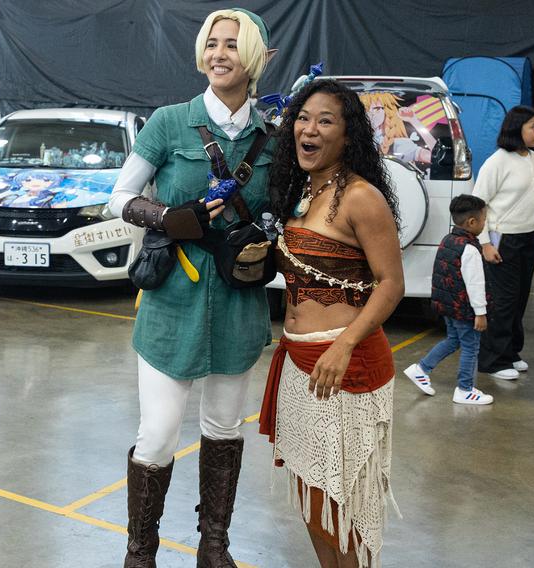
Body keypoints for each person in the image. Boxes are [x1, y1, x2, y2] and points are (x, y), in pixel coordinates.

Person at [104, 9, 275, 567]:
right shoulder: (169, 122)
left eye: (231, 45)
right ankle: (140, 550)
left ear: (253, 58)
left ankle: (214, 544)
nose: (218, 54)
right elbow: (119, 197)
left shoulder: (272, 136)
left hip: (239, 297)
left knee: (224, 428)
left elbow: (290, 211)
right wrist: (167, 217)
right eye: (211, 44)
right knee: (156, 435)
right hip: (171, 297)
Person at [259, 79, 405, 568]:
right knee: (315, 505)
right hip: (300, 366)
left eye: (325, 121)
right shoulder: (304, 189)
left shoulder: (361, 198)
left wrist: (343, 345)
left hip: (344, 369)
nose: (310, 128)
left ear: (348, 136)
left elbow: (390, 284)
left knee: (344, 511)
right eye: (303, 118)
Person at [468, 105, 534, 380]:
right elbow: (477, 205)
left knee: (520, 298)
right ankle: (493, 360)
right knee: (502, 300)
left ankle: (511, 352)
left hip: (528, 237)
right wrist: (485, 243)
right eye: (533, 127)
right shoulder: (497, 162)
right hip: (503, 239)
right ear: (517, 129)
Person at [403, 194, 494, 405]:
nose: (484, 224)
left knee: (453, 340)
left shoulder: (448, 239)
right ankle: (465, 390)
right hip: (464, 309)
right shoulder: (470, 249)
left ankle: (421, 369)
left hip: (449, 306)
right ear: (472, 222)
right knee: (471, 346)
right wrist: (480, 313)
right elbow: (475, 284)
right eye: (483, 220)